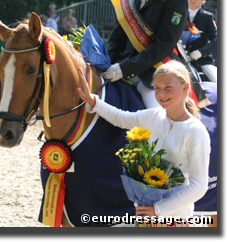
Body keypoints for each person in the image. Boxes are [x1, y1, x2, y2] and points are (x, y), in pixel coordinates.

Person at [77, 60, 210, 227]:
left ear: (185, 88)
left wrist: (159, 209)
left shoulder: (196, 131)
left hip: (175, 220)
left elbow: (199, 186)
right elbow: (120, 117)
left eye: (168, 87)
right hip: (145, 215)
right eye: (156, 88)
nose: (161, 93)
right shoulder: (153, 115)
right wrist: (93, 100)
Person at [102, 0, 188, 108]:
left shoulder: (176, 0)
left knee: (157, 120)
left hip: (153, 75)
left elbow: (163, 45)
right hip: (120, 69)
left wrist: (123, 69)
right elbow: (117, 39)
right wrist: (108, 64)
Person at [185, 0, 217, 82]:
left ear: (202, 0)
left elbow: (215, 39)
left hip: (202, 60)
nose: (192, 0)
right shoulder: (180, 15)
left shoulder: (208, 17)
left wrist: (200, 52)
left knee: (216, 79)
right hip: (182, 58)